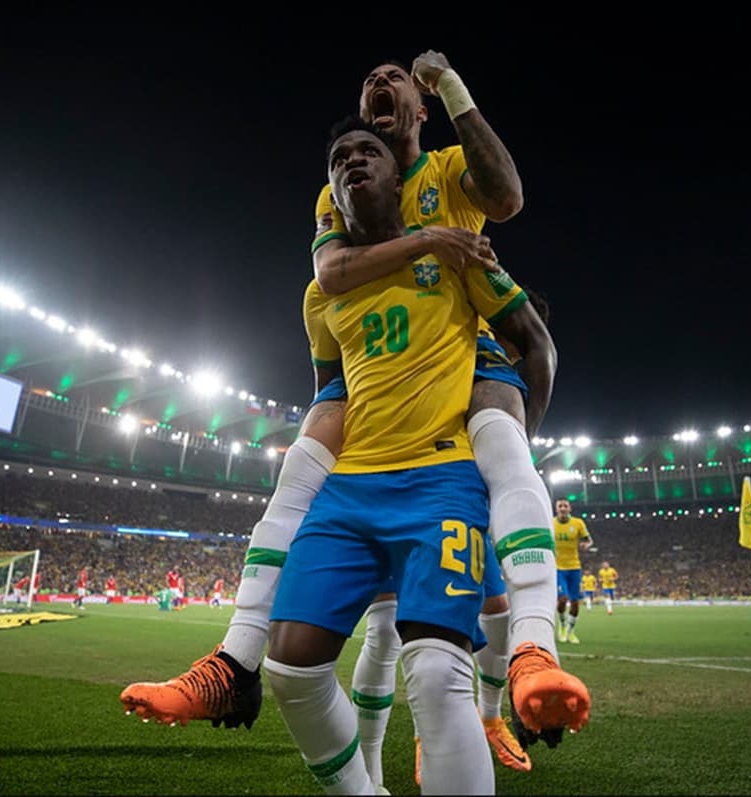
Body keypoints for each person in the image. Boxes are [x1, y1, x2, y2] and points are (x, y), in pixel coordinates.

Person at [121, 51, 580, 766]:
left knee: (451, 619)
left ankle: (525, 660)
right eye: (367, 82)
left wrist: (450, 86)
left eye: (392, 77)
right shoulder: (336, 208)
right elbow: (329, 277)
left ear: (418, 112)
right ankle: (239, 663)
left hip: (458, 364)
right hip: (374, 417)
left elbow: (509, 200)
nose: (376, 84)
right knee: (318, 477)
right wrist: (426, 238)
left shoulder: (448, 171)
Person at [263, 117, 584, 795]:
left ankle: (528, 657)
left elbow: (535, 342)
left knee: (437, 675)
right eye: (339, 157)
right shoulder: (323, 293)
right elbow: (327, 391)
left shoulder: (457, 256)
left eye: (368, 151)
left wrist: (508, 442)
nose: (354, 161)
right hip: (351, 489)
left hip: (441, 477)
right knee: (288, 667)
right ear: (330, 195)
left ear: (397, 175)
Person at [553, 499, 592, 644]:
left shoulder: (578, 523)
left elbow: (589, 540)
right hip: (558, 568)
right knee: (562, 599)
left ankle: (570, 632)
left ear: (570, 509)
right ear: (556, 509)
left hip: (574, 566)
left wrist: (585, 545)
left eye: (565, 506)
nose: (563, 508)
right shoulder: (551, 523)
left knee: (575, 603)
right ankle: (562, 626)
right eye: (560, 506)